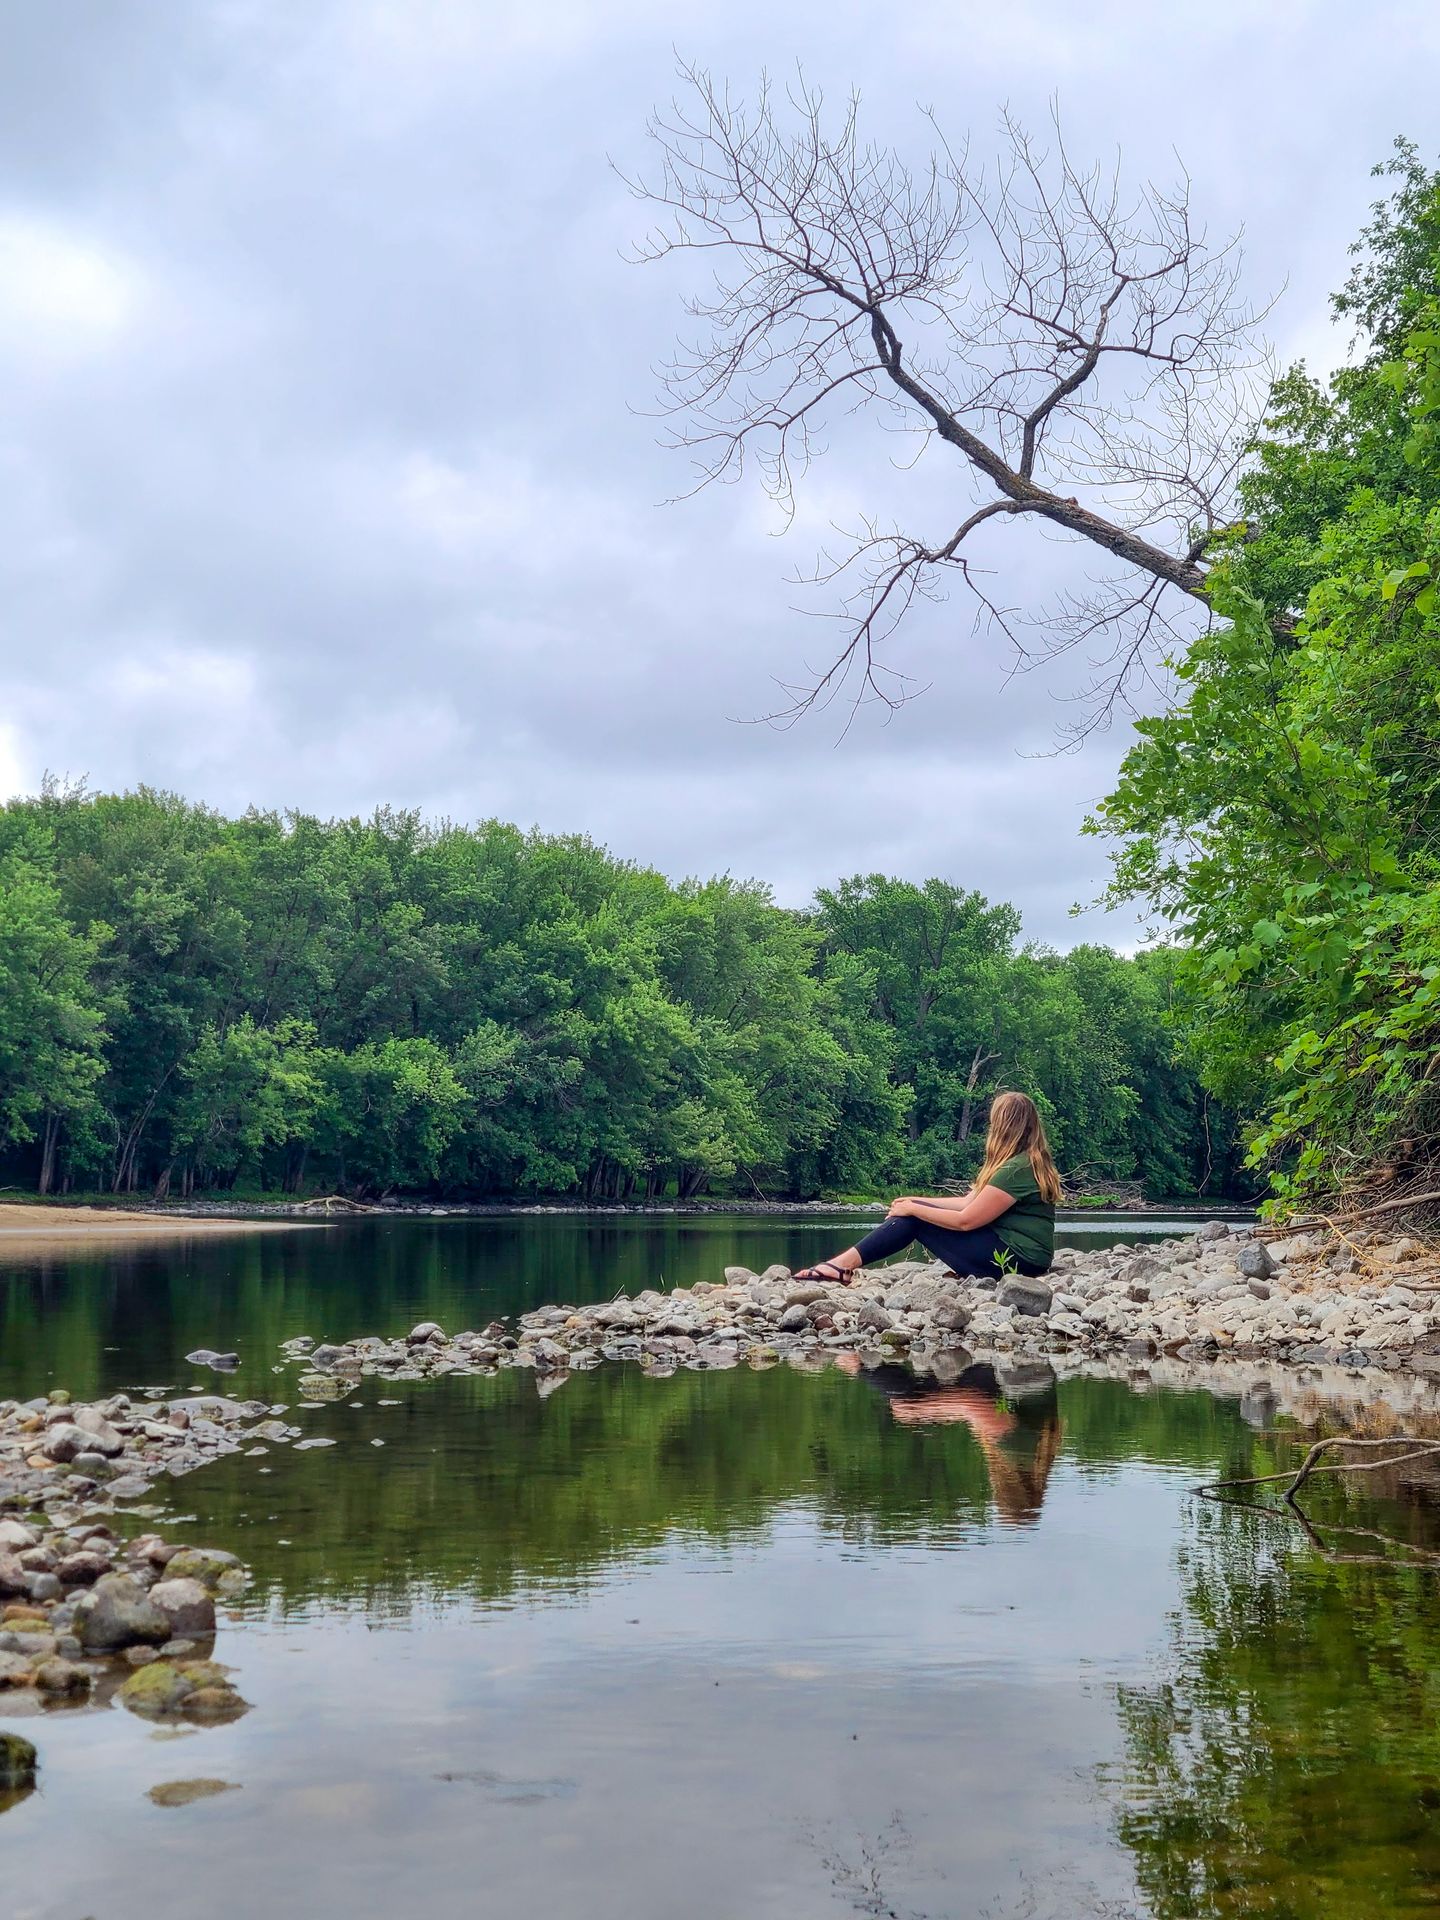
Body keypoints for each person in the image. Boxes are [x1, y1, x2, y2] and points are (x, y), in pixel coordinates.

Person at [794, 1089, 1060, 1285]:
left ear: (1002, 1126)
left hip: (1018, 1261)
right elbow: (969, 1201)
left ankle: (841, 1266)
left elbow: (966, 1220)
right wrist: (914, 1202)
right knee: (913, 1213)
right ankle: (842, 1265)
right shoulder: (1024, 1162)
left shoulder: (1016, 1169)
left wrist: (914, 1212)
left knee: (916, 1222)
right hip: (1025, 1258)